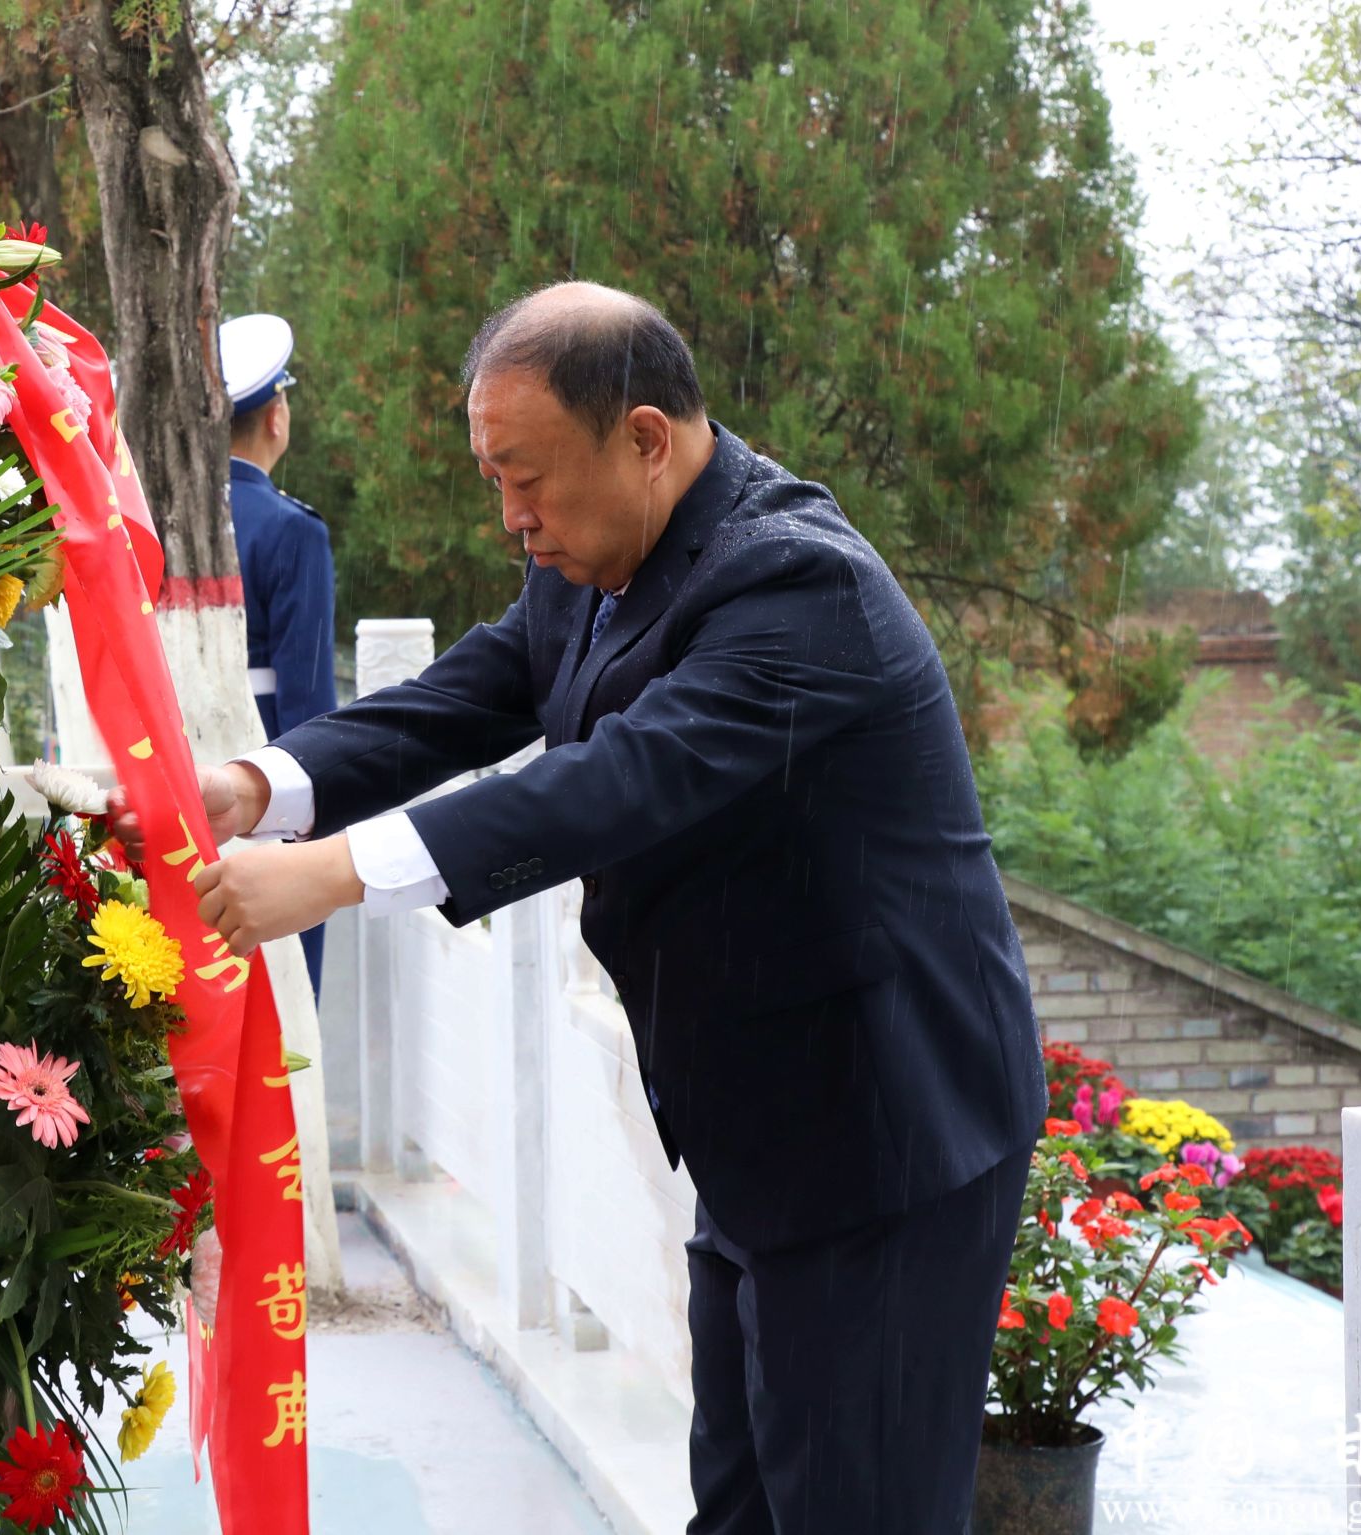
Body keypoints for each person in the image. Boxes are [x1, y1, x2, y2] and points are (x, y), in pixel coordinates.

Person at [115, 283, 1047, 1532]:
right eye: (494, 479)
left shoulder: (795, 585)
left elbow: (613, 781)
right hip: (758, 1122)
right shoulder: (601, 553)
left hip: (882, 1130)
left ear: (644, 438)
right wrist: (261, 783)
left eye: (529, 480)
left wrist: (332, 872)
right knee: (739, 1500)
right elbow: (476, 690)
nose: (513, 518)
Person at [219, 312, 338, 999]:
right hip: (270, 773)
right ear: (275, 417)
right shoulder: (292, 529)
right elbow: (308, 693)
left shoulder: (164, 515)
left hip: (186, 770)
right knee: (284, 994)